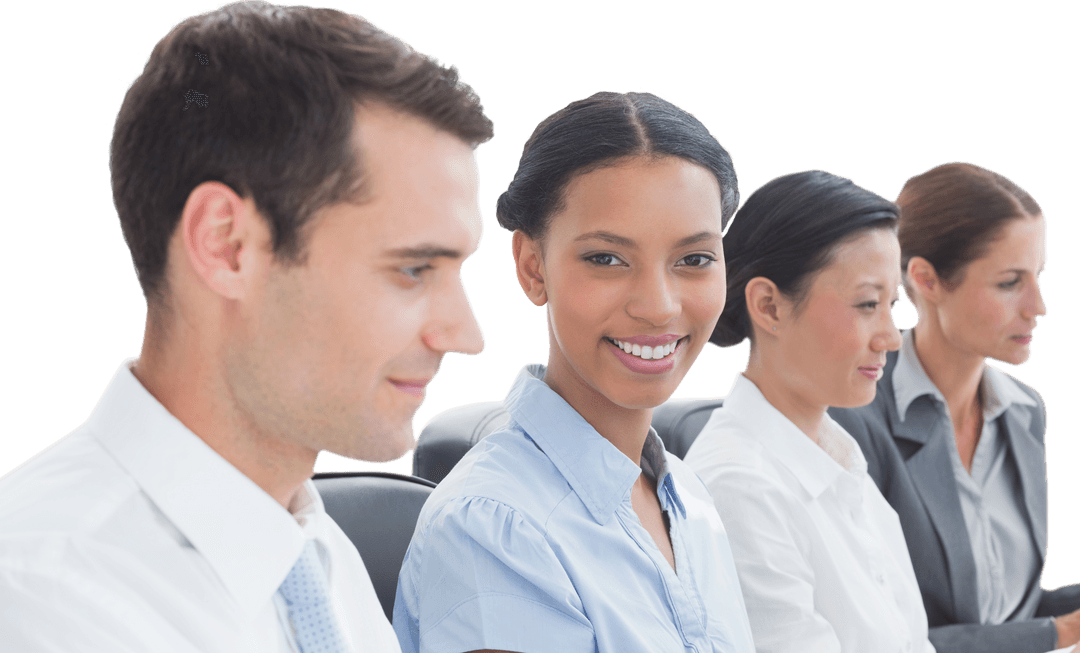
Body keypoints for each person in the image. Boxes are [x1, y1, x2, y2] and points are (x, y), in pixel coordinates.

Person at [0, 2, 493, 651]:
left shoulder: (317, 558)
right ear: (226, 245)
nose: (467, 333)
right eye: (413, 268)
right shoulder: (41, 598)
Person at [393, 91, 755, 653]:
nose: (659, 306)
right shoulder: (494, 528)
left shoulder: (690, 500)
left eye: (694, 259)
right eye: (606, 259)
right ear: (532, 268)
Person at [828, 161, 1080, 653]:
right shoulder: (852, 415)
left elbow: (1003, 613)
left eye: (1038, 276)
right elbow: (868, 638)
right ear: (926, 279)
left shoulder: (1024, 408)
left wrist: (1057, 618)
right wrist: (1058, 634)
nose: (1038, 305)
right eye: (1010, 282)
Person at [685, 170, 936, 653]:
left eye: (892, 304)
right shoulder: (740, 490)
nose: (890, 337)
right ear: (769, 306)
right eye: (866, 304)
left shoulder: (840, 460)